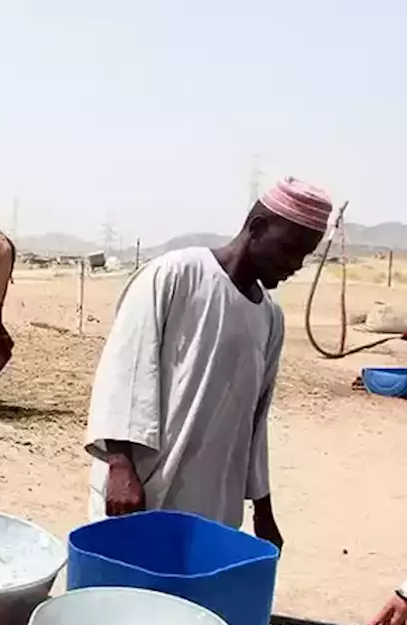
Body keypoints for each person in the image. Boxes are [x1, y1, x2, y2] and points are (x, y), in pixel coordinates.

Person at [84, 177, 331, 546]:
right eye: (290, 248)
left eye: (305, 255)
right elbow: (125, 371)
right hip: (139, 493)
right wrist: (120, 466)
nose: (295, 264)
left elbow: (255, 422)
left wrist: (263, 512)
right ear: (258, 227)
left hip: (214, 506)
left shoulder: (270, 318)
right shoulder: (175, 274)